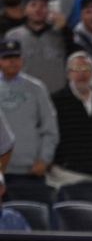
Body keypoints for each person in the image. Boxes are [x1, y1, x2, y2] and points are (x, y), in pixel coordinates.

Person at [0, 39, 58, 202]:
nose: (12, 61)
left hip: (30, 172)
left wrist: (44, 159)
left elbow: (50, 128)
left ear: (22, 60)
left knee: (34, 222)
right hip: (1, 173)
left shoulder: (37, 88)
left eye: (16, 57)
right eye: (6, 58)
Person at [49, 52, 92, 189]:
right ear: (68, 73)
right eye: (77, 69)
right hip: (66, 175)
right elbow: (48, 135)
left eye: (86, 69)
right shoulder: (55, 101)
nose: (82, 74)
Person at [6, 0, 74, 93]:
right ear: (25, 10)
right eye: (33, 5)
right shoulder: (13, 36)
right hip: (24, 93)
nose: (38, 9)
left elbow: (74, 56)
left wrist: (64, 28)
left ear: (49, 10)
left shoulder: (61, 33)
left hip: (58, 94)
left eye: (43, 6)